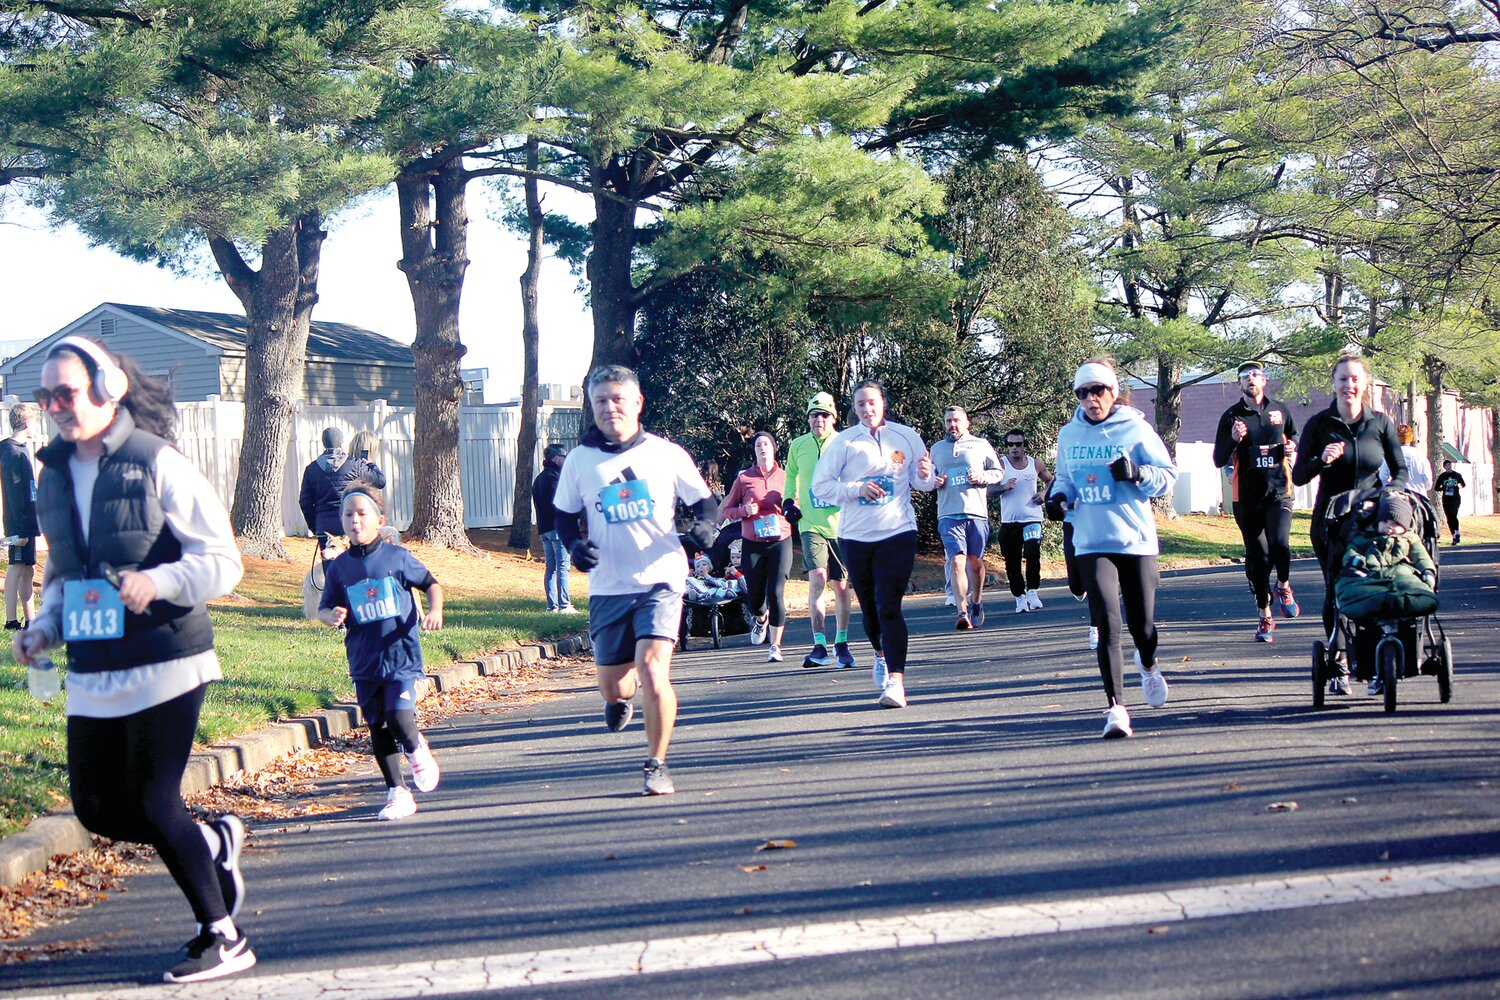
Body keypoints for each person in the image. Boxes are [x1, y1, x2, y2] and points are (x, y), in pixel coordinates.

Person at [10, 337, 252, 983]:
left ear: (108, 388)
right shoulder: (54, 473)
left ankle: (221, 934)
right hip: (95, 664)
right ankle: (212, 843)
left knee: (152, 800)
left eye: (66, 392)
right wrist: (46, 628)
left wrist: (161, 582)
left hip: (166, 655)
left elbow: (223, 561)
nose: (56, 406)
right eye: (45, 396)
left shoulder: (157, 462)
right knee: (95, 808)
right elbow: (65, 570)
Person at [553, 365, 717, 795]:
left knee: (651, 668)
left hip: (661, 578)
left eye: (618, 399)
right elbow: (564, 517)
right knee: (615, 685)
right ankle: (618, 700)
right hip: (608, 585)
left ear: (637, 403)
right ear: (592, 407)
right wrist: (574, 547)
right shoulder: (580, 460)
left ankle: (657, 763)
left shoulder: (666, 454)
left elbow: (706, 503)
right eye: (601, 401)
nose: (610, 408)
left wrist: (705, 529)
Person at [1049, 359, 1176, 739]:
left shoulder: (1136, 428)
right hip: (1091, 540)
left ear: (1113, 391)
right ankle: (1116, 708)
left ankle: (1149, 665)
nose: (1091, 399)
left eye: (1098, 391)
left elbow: (1166, 478)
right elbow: (1064, 479)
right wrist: (1058, 498)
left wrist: (1137, 473)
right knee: (1107, 623)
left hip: (1135, 539)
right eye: (1083, 393)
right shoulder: (1069, 435)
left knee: (1143, 626)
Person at [318, 480, 444, 820]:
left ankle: (417, 750)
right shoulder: (340, 567)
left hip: (400, 656)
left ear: (378, 519)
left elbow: (431, 584)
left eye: (361, 513)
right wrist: (332, 616)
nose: (354, 521)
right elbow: (324, 608)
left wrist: (434, 611)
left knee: (399, 717)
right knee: (377, 725)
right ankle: (397, 792)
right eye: (347, 515)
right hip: (364, 660)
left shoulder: (397, 558)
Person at [811, 380, 936, 709]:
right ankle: (879, 654)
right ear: (854, 408)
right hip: (855, 537)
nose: (867, 409)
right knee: (868, 607)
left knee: (888, 606)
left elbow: (921, 483)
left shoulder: (906, 436)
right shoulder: (845, 442)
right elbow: (821, 486)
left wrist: (926, 473)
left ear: (883, 403)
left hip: (898, 532)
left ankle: (896, 681)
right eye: (861, 404)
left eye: (872, 402)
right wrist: (856, 489)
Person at [1292, 352, 1407, 696]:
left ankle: (1375, 663)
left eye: (1355, 379)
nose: (1349, 385)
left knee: (1374, 585)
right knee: (1337, 592)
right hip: (1331, 519)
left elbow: (1398, 470)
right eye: (1343, 379)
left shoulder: (1380, 423)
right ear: (1334, 384)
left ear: (1365, 383)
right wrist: (1321, 460)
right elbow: (1298, 476)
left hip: (1371, 519)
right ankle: (1338, 663)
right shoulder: (1319, 424)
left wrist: (1392, 495)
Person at [1212, 361, 1301, 644]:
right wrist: (1234, 440)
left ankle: (1284, 585)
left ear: (1264, 381)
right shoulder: (1232, 416)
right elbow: (1218, 458)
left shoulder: (1280, 410)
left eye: (1255, 375)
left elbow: (1294, 436)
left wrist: (1292, 446)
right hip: (1247, 498)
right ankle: (1265, 613)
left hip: (1279, 491)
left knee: (1280, 544)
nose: (1251, 379)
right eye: (1245, 376)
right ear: (1239, 385)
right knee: (1259, 557)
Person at [783, 392, 855, 669]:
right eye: (814, 415)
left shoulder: (845, 443)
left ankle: (842, 642)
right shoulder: (798, 445)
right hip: (810, 523)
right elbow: (791, 475)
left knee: (840, 585)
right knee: (817, 579)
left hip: (842, 525)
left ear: (833, 417)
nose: (819, 420)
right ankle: (819, 645)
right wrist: (788, 501)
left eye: (824, 415)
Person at [720, 432, 794, 662]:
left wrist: (790, 507)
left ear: (773, 449)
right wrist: (743, 512)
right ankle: (760, 618)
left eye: (766, 444)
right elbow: (727, 509)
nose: (762, 447)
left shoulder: (786, 476)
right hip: (753, 542)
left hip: (780, 540)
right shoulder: (744, 479)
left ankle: (775, 646)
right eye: (758, 445)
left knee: (776, 592)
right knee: (755, 596)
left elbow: (796, 502)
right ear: (754, 451)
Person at [929, 406, 1002, 629]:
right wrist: (934, 481)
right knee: (956, 559)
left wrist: (981, 477)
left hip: (976, 512)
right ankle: (962, 612)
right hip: (948, 513)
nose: (953, 424)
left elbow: (998, 473)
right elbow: (926, 477)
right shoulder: (937, 449)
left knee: (975, 562)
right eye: (949, 420)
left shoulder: (980, 445)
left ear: (966, 423)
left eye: (957, 420)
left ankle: (977, 601)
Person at [995, 427, 1053, 616]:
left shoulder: (1035, 464)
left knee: (1032, 550)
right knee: (1012, 562)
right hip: (1010, 521)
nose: (1014, 448)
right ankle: (1019, 596)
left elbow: (1051, 480)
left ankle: (1033, 591)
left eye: (1018, 444)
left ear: (1024, 445)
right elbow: (987, 489)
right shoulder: (1000, 465)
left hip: (1032, 518)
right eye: (1010, 444)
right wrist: (1003, 487)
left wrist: (1044, 494)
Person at [298, 427, 386, 547]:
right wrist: (370, 464)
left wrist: (315, 526)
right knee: (354, 563)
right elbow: (380, 481)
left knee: (330, 564)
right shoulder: (354, 464)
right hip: (350, 525)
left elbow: (305, 502)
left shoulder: (311, 469)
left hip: (324, 526)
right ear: (341, 443)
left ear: (324, 444)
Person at [2, 402, 40, 630]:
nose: (35, 426)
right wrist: (21, 530)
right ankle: (10, 620)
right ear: (26, 423)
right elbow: (15, 493)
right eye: (34, 422)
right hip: (19, 523)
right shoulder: (11, 452)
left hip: (28, 521)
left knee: (29, 568)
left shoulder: (22, 448)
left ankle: (31, 620)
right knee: (16, 567)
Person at [532, 443, 575, 613]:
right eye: (564, 457)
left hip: (544, 529)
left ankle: (552, 606)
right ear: (556, 458)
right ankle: (564, 605)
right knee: (562, 566)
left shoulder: (539, 479)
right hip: (558, 529)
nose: (566, 460)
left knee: (551, 568)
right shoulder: (556, 478)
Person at [1395, 424, 1433, 495]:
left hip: (1397, 497)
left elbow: (1383, 478)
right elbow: (1428, 481)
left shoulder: (1391, 454)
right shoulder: (1420, 455)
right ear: (1411, 438)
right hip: (1418, 495)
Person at [1434, 459, 1466, 544]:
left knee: (1453, 515)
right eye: (1447, 465)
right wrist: (1443, 488)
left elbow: (1463, 484)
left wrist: (1459, 486)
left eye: (1449, 465)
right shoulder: (1442, 476)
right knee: (1449, 518)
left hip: (1455, 498)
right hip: (1446, 499)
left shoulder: (1457, 475)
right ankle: (1454, 535)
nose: (1448, 467)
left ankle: (1457, 532)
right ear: (1444, 467)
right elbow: (1436, 488)